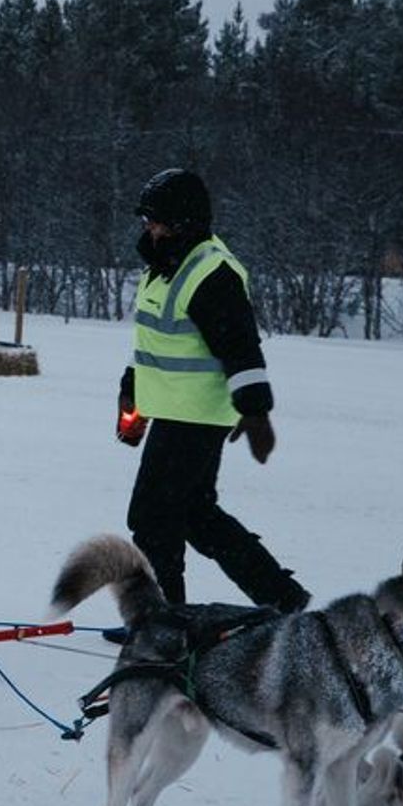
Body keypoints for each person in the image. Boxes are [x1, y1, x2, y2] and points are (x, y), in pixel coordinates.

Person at [117, 168, 308, 614]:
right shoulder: (165, 267)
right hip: (173, 411)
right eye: (147, 220)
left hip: (196, 416)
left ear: (184, 221)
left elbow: (240, 346)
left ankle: (162, 623)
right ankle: (282, 598)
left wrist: (256, 411)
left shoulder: (210, 273)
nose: (149, 228)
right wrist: (132, 393)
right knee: (196, 517)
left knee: (152, 519)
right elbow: (154, 341)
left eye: (156, 220)